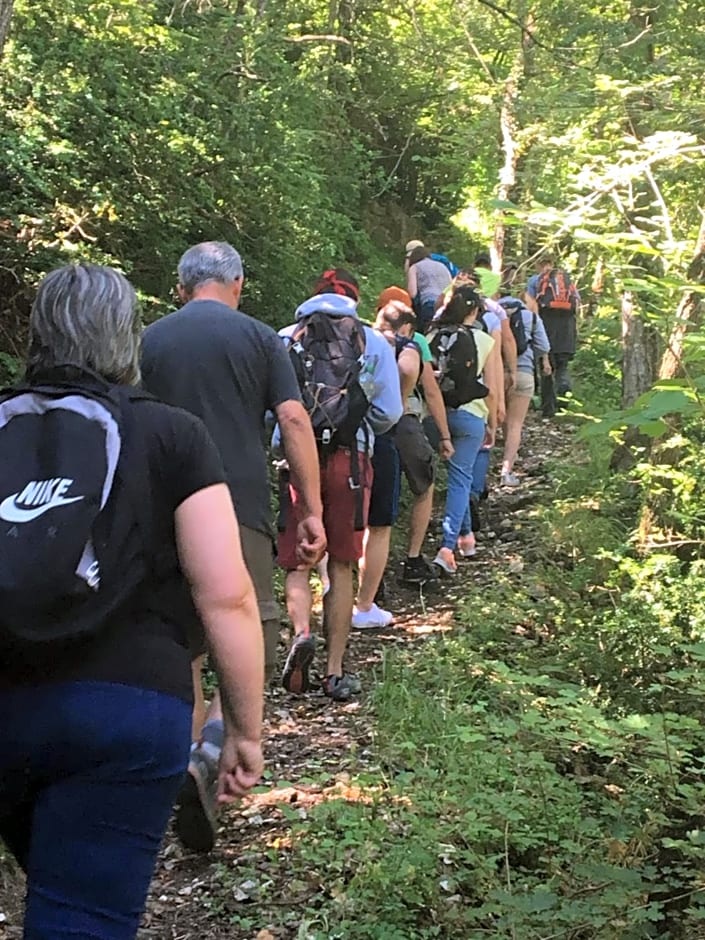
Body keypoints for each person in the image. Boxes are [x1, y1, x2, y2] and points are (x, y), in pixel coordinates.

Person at [0, 263, 264, 939]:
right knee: (81, 912)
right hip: (127, 706)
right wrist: (242, 729)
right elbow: (227, 596)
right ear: (128, 338)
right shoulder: (171, 434)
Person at [141, 241, 325, 851]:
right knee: (253, 628)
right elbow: (295, 419)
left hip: (158, 508)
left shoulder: (150, 339)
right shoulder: (259, 338)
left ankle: (183, 768)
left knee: (183, 645)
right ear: (239, 284)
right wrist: (312, 509)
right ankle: (219, 740)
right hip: (235, 505)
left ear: (180, 286)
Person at [278, 269, 403, 700]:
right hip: (352, 460)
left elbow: (270, 412)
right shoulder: (373, 342)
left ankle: (299, 634)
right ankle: (333, 672)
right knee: (342, 563)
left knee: (297, 562)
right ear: (354, 298)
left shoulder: (286, 337)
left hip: (297, 461)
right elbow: (389, 413)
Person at [374, 287, 454, 587]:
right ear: (407, 325)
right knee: (425, 483)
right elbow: (430, 389)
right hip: (403, 421)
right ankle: (413, 558)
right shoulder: (413, 343)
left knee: (369, 495)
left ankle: (369, 573)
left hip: (361, 424)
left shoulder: (360, 337)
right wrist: (444, 435)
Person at [428, 285, 497, 574]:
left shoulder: (431, 336)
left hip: (434, 415)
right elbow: (490, 388)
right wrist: (493, 422)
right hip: (471, 417)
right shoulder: (484, 340)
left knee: (453, 478)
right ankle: (447, 547)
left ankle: (466, 538)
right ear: (475, 311)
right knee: (461, 480)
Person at [497, 294, 552, 486]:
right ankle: (506, 471)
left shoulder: (491, 314)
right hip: (524, 373)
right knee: (515, 425)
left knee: (494, 421)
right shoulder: (531, 317)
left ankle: (479, 474)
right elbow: (543, 346)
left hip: (496, 375)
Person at [525, 254, 580, 413]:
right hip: (567, 329)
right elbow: (576, 303)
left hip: (546, 326)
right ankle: (564, 399)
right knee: (562, 367)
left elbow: (530, 305)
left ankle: (548, 408)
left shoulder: (535, 280)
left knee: (546, 366)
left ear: (538, 265)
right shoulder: (567, 281)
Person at [405, 242, 452, 331]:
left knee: (428, 334)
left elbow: (412, 293)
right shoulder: (443, 266)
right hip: (446, 306)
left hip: (429, 304)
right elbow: (451, 287)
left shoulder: (415, 267)